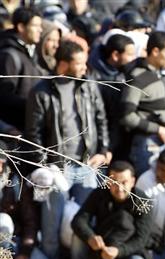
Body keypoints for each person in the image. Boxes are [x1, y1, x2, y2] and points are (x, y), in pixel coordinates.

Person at [25, 40, 109, 206]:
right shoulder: (41, 92)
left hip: (87, 165)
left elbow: (101, 119)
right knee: (52, 223)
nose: (85, 68)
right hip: (56, 169)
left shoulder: (89, 87)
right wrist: (45, 165)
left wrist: (103, 151)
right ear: (63, 65)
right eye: (79, 63)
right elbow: (34, 133)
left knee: (82, 221)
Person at [71, 161, 152, 259]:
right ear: (108, 182)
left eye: (124, 182)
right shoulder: (99, 194)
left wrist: (119, 250)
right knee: (78, 237)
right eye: (114, 182)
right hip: (100, 247)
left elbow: (142, 239)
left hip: (127, 249)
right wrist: (90, 237)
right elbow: (79, 220)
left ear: (133, 181)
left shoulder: (142, 201)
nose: (119, 188)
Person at [120, 31, 165, 176]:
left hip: (161, 143)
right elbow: (127, 117)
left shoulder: (156, 74)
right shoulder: (137, 77)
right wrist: (158, 129)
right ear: (156, 51)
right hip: (145, 146)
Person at [0, 7, 43, 132]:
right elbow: (4, 97)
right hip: (15, 132)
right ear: (21, 27)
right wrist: (33, 105)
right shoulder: (9, 55)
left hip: (30, 125)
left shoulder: (31, 52)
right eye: (35, 26)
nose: (40, 30)